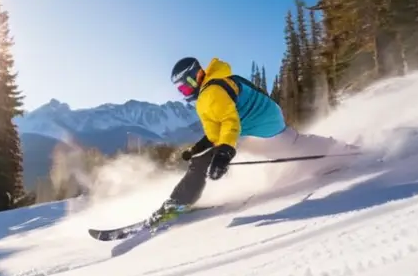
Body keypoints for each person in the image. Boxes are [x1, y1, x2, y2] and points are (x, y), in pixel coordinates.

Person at [148, 56, 359, 225]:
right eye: (181, 91)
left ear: (194, 77)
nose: (185, 93)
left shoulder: (211, 93)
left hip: (257, 126)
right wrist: (197, 148)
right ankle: (346, 151)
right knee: (297, 145)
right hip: (267, 122)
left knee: (203, 161)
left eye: (185, 87)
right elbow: (217, 131)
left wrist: (224, 153)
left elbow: (230, 124)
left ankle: (177, 204)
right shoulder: (215, 84)